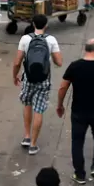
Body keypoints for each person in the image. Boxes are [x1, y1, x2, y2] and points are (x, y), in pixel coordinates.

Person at [58, 39, 94, 184]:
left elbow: (63, 87)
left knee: (77, 141)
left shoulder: (74, 66)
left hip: (79, 111)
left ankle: (79, 174)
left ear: (86, 49)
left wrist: (60, 105)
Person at [13, 14, 63, 155]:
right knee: (38, 110)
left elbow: (17, 62)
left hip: (28, 78)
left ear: (33, 24)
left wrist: (14, 76)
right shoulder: (51, 40)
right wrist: (51, 56)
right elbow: (59, 62)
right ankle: (33, 145)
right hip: (44, 79)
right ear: (46, 25)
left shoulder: (25, 39)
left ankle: (26, 137)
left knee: (27, 104)